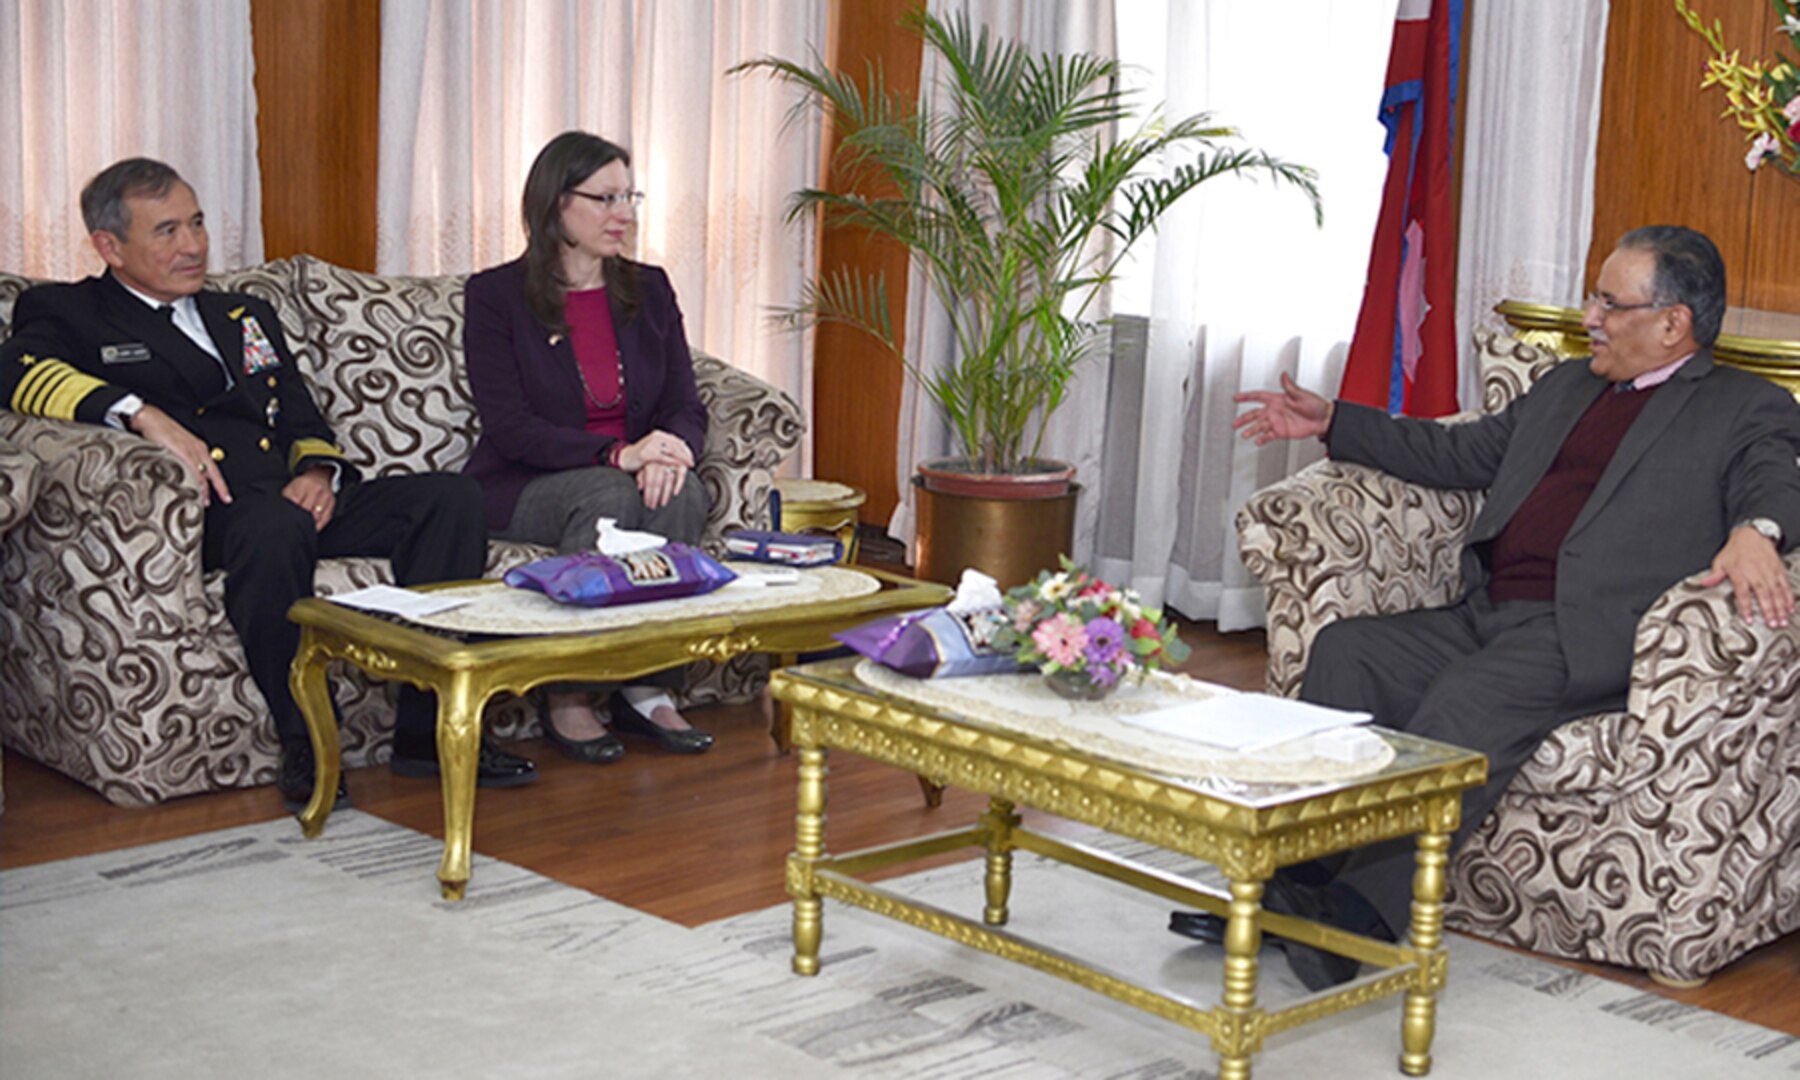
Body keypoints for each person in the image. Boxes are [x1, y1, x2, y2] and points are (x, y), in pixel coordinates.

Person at [1171, 225, 1800, 990]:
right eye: (1592, 298)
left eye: (1610, 302)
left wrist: (1756, 532)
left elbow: (1775, 480)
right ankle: (1290, 886)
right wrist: (1334, 421)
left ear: (1674, 323)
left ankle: (1359, 921)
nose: (1590, 317)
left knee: (1469, 700)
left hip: (1583, 634)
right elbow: (1460, 456)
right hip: (1489, 608)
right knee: (1349, 652)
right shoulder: (1569, 385)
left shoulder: (1744, 406)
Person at [0, 158, 537, 810]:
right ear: (110, 247)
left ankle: (427, 732)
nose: (193, 245)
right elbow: (19, 376)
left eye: (196, 223)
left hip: (289, 492)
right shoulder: (68, 310)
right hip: (209, 510)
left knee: (450, 500)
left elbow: (302, 413)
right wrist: (142, 415)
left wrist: (318, 472)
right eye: (166, 231)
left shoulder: (243, 314)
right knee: (274, 528)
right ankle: (306, 735)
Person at [462, 131, 713, 762]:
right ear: (555, 205)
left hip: (631, 470)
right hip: (523, 482)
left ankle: (647, 683)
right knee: (608, 493)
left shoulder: (649, 289)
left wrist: (673, 449)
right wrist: (618, 456)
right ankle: (569, 694)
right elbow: (510, 426)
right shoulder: (496, 297)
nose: (623, 213)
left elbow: (685, 401)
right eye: (605, 198)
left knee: (683, 490)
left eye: (630, 196)